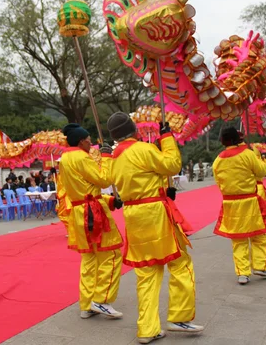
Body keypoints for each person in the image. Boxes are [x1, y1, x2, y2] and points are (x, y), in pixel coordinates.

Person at [107, 113, 203, 343]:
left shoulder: (114, 158)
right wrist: (167, 137)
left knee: (147, 272)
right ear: (134, 130)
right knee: (180, 262)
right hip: (154, 214)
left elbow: (138, 178)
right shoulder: (143, 149)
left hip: (134, 216)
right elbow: (172, 165)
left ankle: (147, 328)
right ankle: (179, 315)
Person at [59, 123, 124, 321]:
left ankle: (86, 304)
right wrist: (106, 158)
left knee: (89, 260)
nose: (90, 142)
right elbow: (104, 180)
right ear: (80, 141)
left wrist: (110, 200)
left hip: (79, 212)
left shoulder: (64, 159)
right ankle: (102, 300)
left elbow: (84, 190)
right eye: (88, 139)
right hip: (93, 213)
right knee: (111, 254)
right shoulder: (81, 157)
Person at [213, 127, 266, 285]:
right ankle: (260, 266)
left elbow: (219, 182)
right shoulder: (248, 154)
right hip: (249, 202)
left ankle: (243, 273)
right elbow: (261, 172)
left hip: (230, 204)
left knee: (238, 239)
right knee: (258, 235)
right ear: (237, 139)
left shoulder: (217, 160)